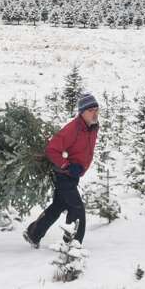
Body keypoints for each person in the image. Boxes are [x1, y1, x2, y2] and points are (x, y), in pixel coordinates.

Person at [23, 93, 99, 248]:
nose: (95, 113)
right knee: (77, 209)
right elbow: (52, 150)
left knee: (58, 206)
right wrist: (67, 166)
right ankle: (72, 244)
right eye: (91, 110)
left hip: (73, 175)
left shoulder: (92, 127)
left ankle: (33, 234)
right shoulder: (72, 129)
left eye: (97, 109)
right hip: (64, 175)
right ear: (82, 112)